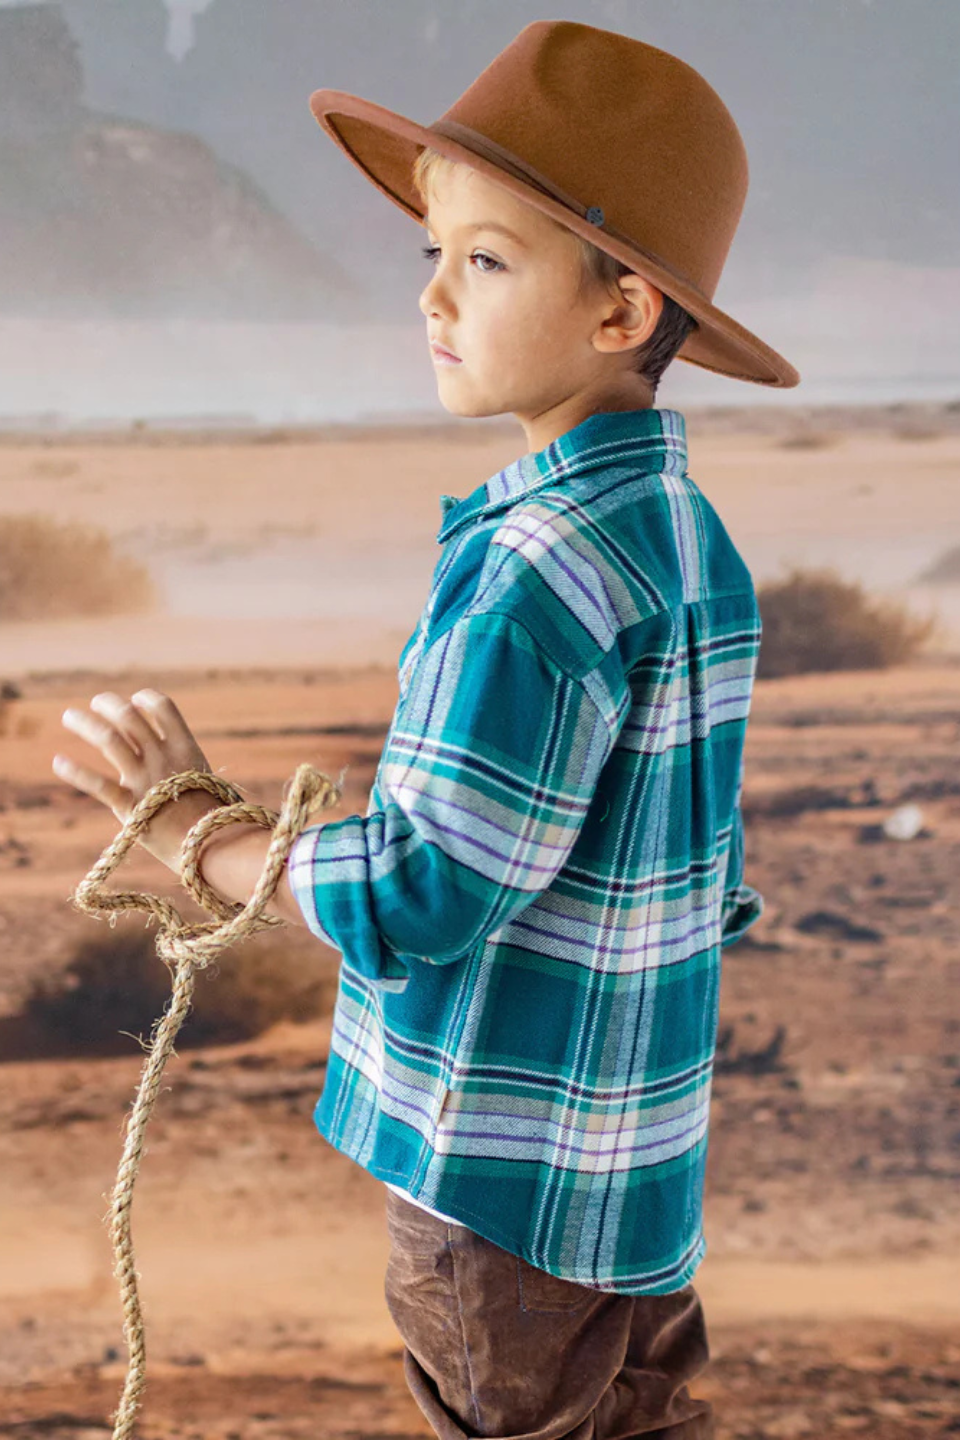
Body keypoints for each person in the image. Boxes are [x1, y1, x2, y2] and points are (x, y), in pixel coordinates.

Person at [53, 19, 799, 1440]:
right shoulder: (691, 542)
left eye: (487, 261)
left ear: (622, 312)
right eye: (431, 257)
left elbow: (421, 894)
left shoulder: (535, 571)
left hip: (500, 1184)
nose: (433, 299)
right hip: (638, 1170)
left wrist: (190, 835)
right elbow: (696, 874)